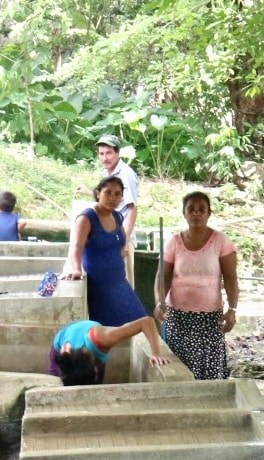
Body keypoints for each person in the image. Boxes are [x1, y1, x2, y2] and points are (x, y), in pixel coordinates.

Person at [155, 191, 239, 380]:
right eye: (191, 209)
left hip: (209, 319)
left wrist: (232, 309)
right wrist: (159, 301)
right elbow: (163, 277)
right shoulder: (173, 242)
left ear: (209, 213)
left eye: (202, 209)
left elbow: (231, 278)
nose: (196, 214)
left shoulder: (221, 241)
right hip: (178, 317)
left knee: (209, 369)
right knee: (179, 370)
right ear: (184, 213)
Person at [61, 176, 147, 327]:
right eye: (108, 193)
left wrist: (120, 251)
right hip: (100, 286)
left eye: (117, 194)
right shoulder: (87, 218)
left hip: (120, 281)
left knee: (142, 322)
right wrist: (76, 269)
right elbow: (76, 247)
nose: (112, 198)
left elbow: (120, 240)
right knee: (108, 331)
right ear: (97, 194)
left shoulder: (117, 216)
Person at [75, 135, 138, 270]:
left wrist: (125, 241)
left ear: (118, 153)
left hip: (121, 238)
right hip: (107, 236)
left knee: (123, 281)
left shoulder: (126, 174)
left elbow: (132, 208)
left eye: (109, 153)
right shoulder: (107, 173)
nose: (105, 158)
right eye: (101, 154)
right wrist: (88, 192)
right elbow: (106, 201)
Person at [48, 316, 170, 386]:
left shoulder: (104, 338)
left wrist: (156, 353)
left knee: (95, 391)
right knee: (59, 389)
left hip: (86, 337)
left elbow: (146, 321)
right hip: (64, 340)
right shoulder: (64, 353)